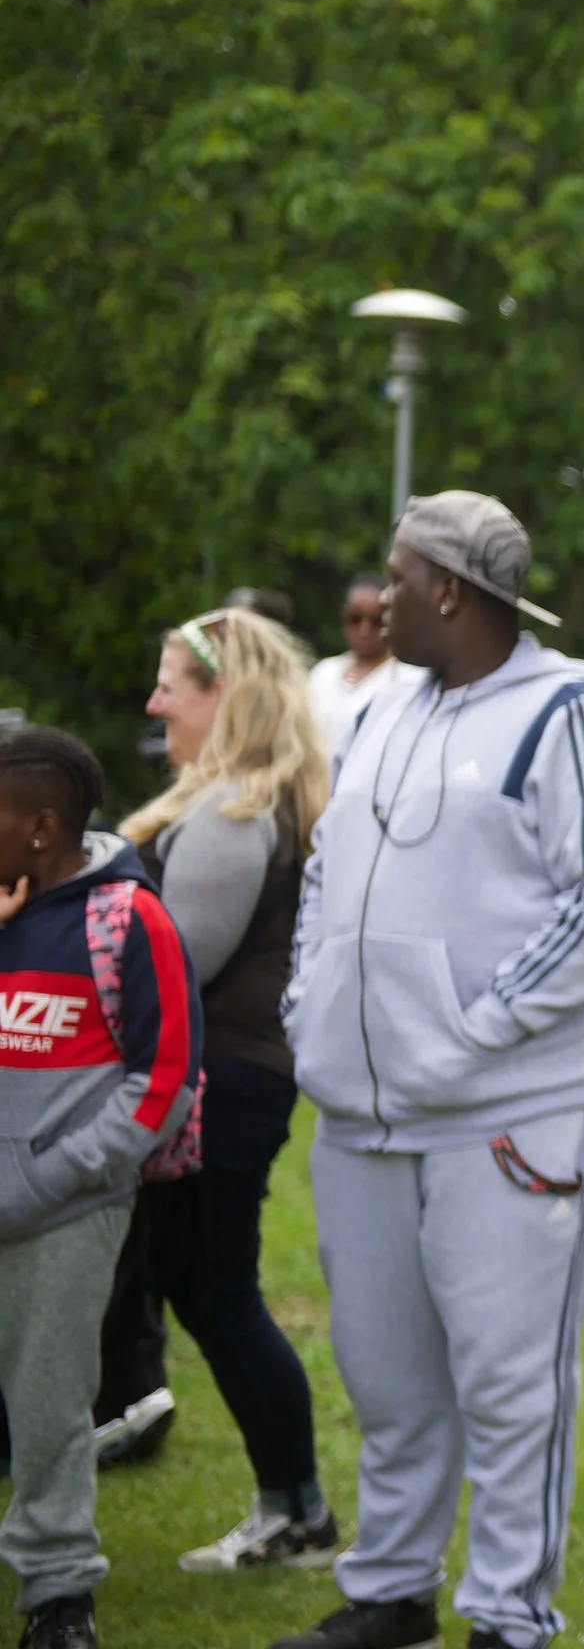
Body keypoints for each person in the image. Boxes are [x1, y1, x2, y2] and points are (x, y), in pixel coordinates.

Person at [273, 491, 584, 1649]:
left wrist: (476, 1025)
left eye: (394, 576)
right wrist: (311, 1005)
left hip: (515, 1111)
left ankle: (507, 1616)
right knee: (387, 1379)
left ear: (447, 585)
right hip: (364, 1115)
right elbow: (324, 873)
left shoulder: (572, 711)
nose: (378, 597)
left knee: (510, 1386)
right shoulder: (382, 709)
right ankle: (391, 1593)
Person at [119, 607, 338, 1572]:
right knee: (206, 1292)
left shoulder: (235, 808)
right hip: (235, 1078)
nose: (155, 700)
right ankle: (294, 1510)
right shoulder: (243, 798)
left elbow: (176, 964)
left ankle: (299, 1517)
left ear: (228, 697)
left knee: (221, 1294)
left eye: (174, 683)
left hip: (223, 1085)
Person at [0, 726, 204, 1649]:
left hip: (65, 1212)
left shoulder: (128, 919)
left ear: (42, 826)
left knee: (49, 1403)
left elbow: (164, 1080)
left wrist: (52, 1175)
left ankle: (57, 1596)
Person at [305, 577, 415, 752]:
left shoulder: (408, 678)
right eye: (355, 619)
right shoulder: (323, 673)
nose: (364, 630)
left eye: (376, 620)